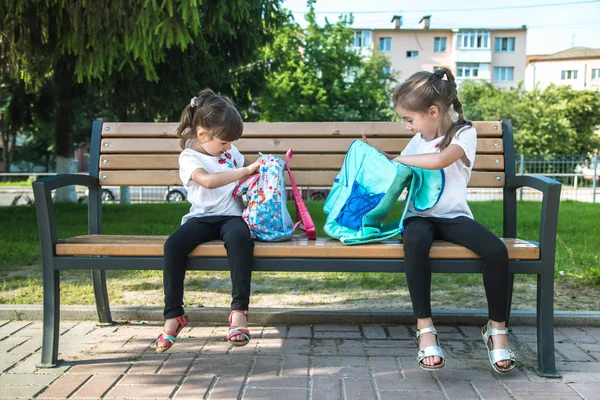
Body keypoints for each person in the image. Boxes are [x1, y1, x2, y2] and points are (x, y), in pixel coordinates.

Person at [363, 68, 515, 374]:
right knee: (415, 240)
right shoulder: (418, 140)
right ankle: (425, 327)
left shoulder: (463, 133)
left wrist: (399, 158)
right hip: (420, 218)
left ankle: (496, 330)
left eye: (409, 119)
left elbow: (440, 160)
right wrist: (377, 158)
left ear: (433, 112)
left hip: (454, 217)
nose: (407, 126)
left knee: (497, 251)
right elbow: (397, 176)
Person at [154, 89, 261, 352]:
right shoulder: (189, 157)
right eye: (224, 142)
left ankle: (239, 313)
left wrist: (261, 169)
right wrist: (246, 169)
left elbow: (248, 174)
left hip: (231, 217)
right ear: (203, 134)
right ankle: (174, 315)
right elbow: (209, 181)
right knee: (173, 246)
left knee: (240, 238)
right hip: (201, 218)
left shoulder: (230, 151)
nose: (229, 147)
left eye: (231, 142)